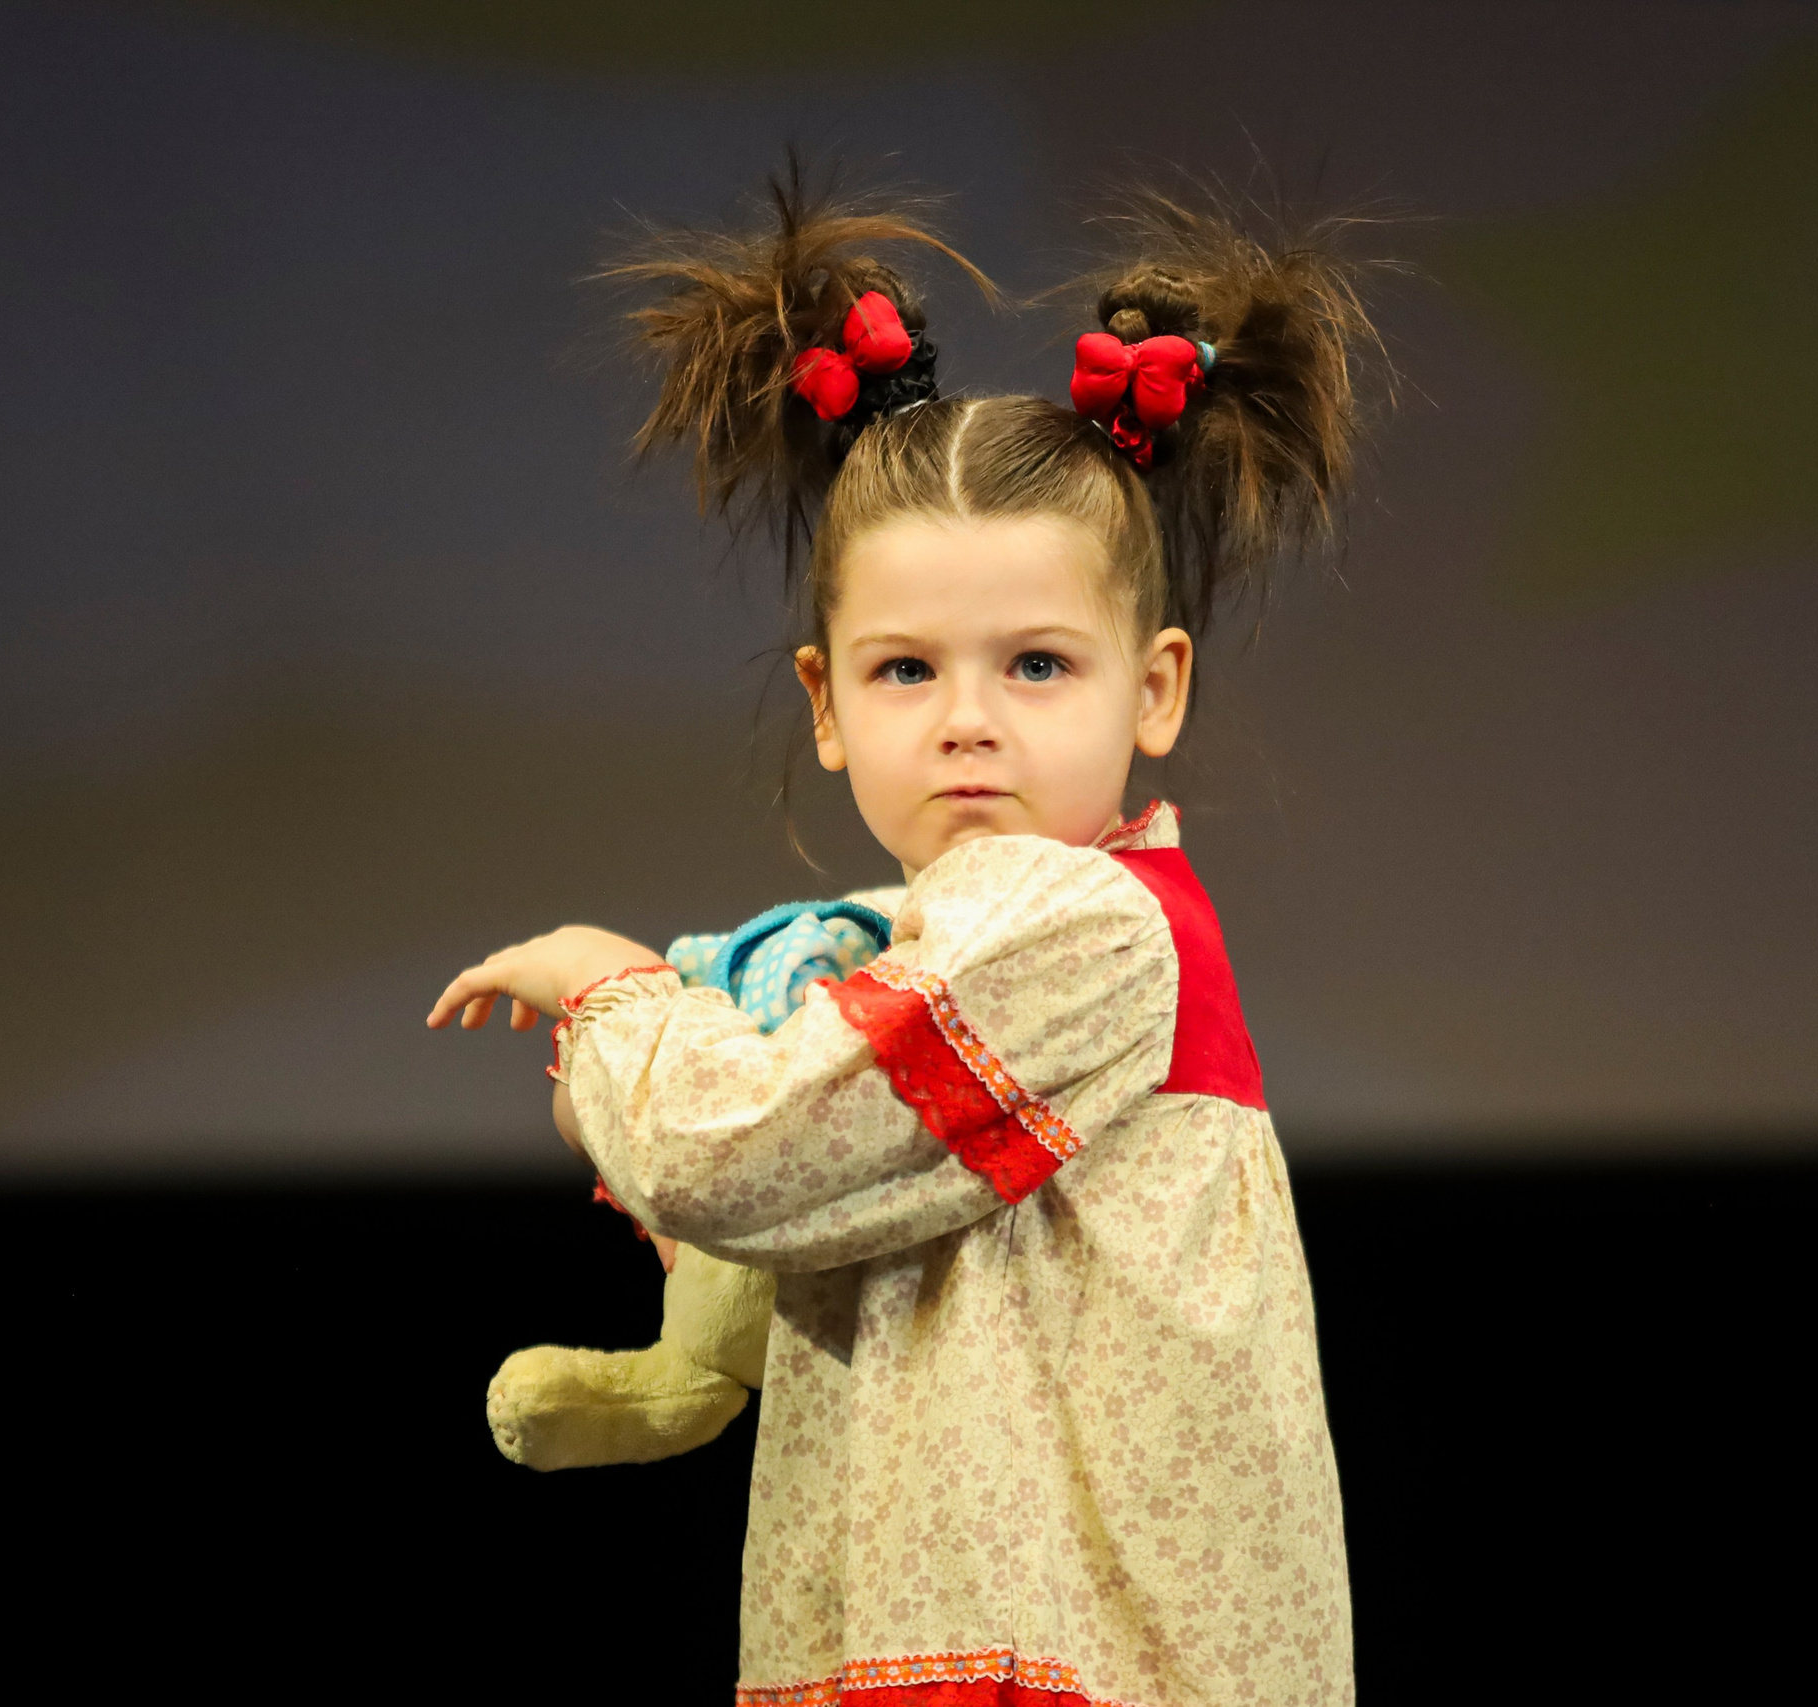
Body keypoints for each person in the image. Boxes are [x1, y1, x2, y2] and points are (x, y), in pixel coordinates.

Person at [428, 168, 1379, 1707]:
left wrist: (612, 994)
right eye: (904, 672)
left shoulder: (1071, 922)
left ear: (1157, 690)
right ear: (824, 702)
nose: (969, 726)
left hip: (1061, 1659)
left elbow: (735, 1156)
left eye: (1040, 665)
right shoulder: (921, 937)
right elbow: (791, 1202)